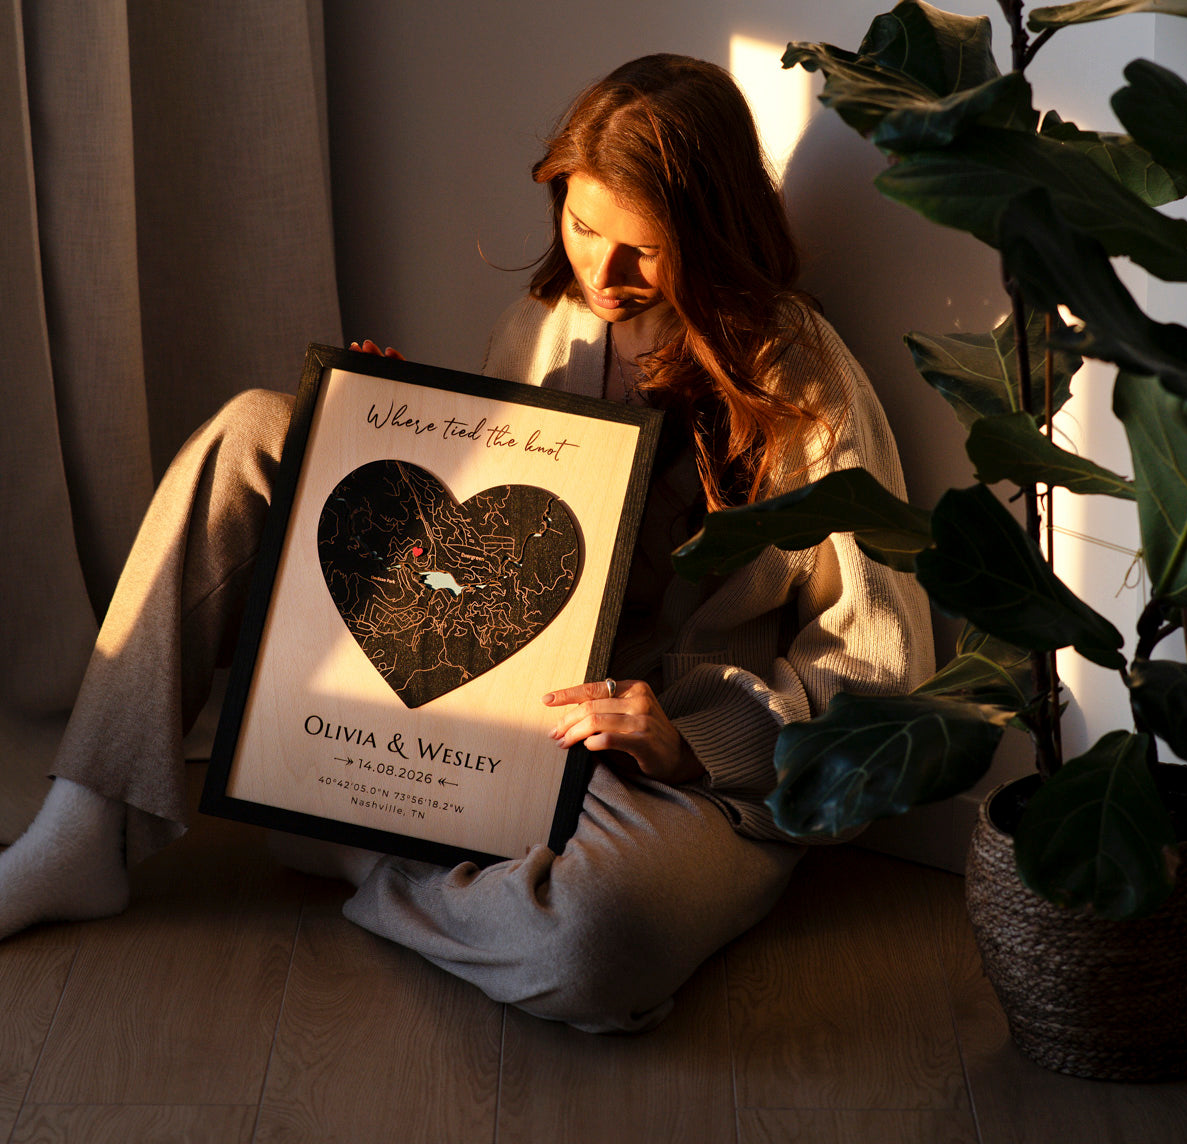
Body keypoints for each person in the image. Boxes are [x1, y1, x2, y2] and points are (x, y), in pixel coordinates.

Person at [0, 54, 934, 1031]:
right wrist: (377, 427)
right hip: (496, 713)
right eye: (581, 228)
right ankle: (82, 826)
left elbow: (878, 671)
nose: (602, 275)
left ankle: (360, 851)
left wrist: (692, 742)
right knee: (254, 429)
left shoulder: (805, 384)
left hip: (670, 769)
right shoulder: (541, 325)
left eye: (643, 252)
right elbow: (495, 559)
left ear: (711, 230)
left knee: (592, 946)